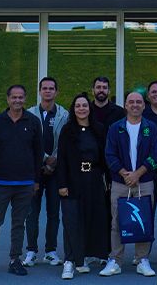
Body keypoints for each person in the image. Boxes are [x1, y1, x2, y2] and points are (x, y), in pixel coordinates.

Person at [0, 85, 43, 278]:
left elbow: (38, 153)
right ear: (7, 99)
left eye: (20, 97)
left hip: (25, 184)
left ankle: (15, 260)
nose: (17, 100)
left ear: (25, 99)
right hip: (0, 182)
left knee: (18, 223)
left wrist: (36, 180)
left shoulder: (33, 121)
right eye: (13, 97)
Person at [99, 91, 157, 278]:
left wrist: (138, 173)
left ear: (144, 105)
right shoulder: (115, 128)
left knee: (144, 222)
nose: (135, 105)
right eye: (131, 102)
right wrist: (125, 174)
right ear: (125, 105)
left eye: (138, 102)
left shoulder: (151, 127)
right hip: (120, 182)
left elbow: (155, 155)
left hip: (145, 182)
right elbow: (110, 155)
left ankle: (142, 259)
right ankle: (115, 260)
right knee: (117, 222)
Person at [56, 93, 111, 280]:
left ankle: (83, 258)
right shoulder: (67, 130)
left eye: (85, 106)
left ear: (89, 108)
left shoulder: (99, 129)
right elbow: (61, 159)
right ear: (74, 109)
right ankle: (69, 261)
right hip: (72, 180)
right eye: (78, 105)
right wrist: (62, 184)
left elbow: (105, 157)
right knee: (72, 221)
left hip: (94, 180)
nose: (81, 109)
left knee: (91, 218)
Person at [24, 77, 68, 268]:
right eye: (45, 88)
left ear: (56, 92)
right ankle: (31, 251)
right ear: (40, 91)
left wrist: (54, 160)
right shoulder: (30, 113)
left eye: (51, 88)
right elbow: (28, 141)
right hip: (34, 170)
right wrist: (44, 158)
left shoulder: (64, 114)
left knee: (53, 212)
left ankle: (50, 251)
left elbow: (66, 141)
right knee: (31, 212)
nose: (48, 91)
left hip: (56, 170)